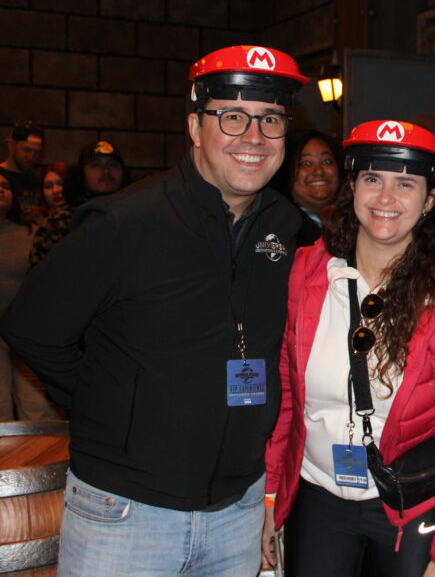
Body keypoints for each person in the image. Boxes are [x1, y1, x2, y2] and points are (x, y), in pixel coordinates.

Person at [1, 44, 307, 576]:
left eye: (271, 120)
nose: (254, 138)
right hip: (125, 514)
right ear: (194, 126)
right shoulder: (123, 223)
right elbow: (32, 328)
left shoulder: (284, 224)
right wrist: (111, 400)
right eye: (232, 117)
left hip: (237, 509)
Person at [263, 120, 435, 577]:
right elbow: (286, 403)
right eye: (372, 179)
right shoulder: (306, 274)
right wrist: (270, 497)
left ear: (430, 200)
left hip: (412, 504)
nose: (385, 199)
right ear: (352, 188)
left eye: (405, 184)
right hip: (317, 497)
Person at [0, 173, 62, 421]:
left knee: (38, 410)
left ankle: (44, 460)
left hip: (25, 328)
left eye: (4, 186)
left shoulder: (33, 230)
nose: (0, 190)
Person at [276, 129, 344, 246]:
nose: (319, 171)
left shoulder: (354, 221)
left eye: (327, 161)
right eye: (306, 163)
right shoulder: (280, 226)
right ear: (288, 171)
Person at [0, 121, 45, 219]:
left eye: (37, 152)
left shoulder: (40, 180)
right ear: (11, 145)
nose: (31, 157)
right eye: (27, 150)